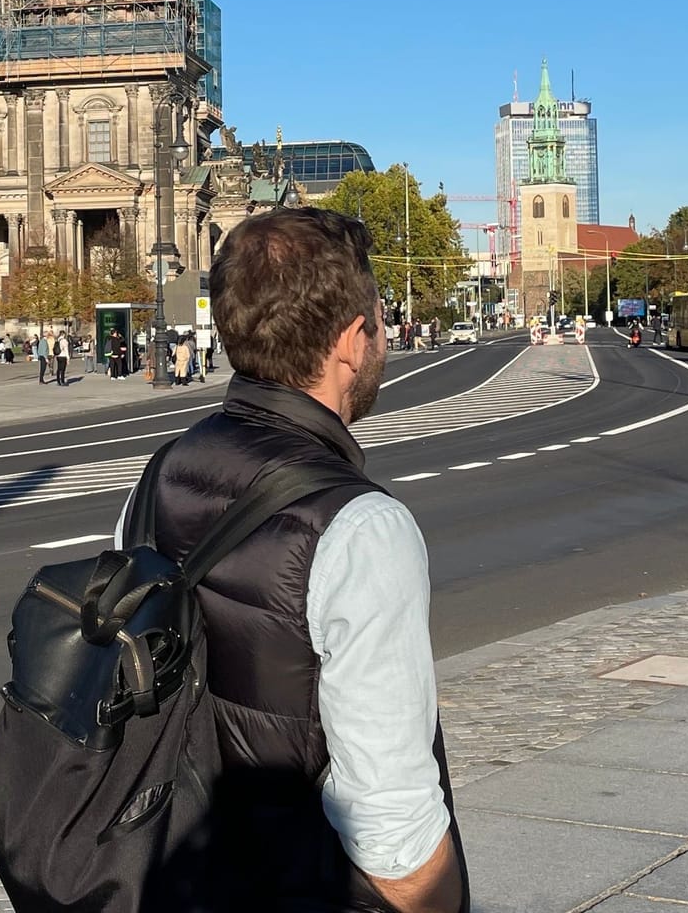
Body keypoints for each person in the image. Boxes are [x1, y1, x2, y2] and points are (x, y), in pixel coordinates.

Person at [118, 208, 468, 910]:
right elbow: (395, 839)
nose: (384, 336)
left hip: (185, 875)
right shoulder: (360, 528)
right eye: (379, 320)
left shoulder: (158, 475)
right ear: (348, 342)